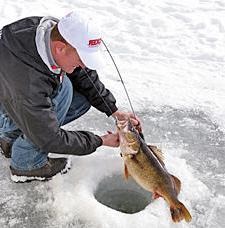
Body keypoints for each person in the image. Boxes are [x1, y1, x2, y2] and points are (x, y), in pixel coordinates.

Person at [0, 11, 141, 182]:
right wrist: (99, 141)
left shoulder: (52, 35)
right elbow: (49, 138)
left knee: (80, 98)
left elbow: (84, 73)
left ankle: (11, 139)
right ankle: (26, 163)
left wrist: (113, 110)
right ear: (60, 48)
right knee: (64, 88)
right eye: (82, 58)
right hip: (11, 104)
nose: (83, 64)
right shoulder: (29, 82)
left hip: (15, 100)